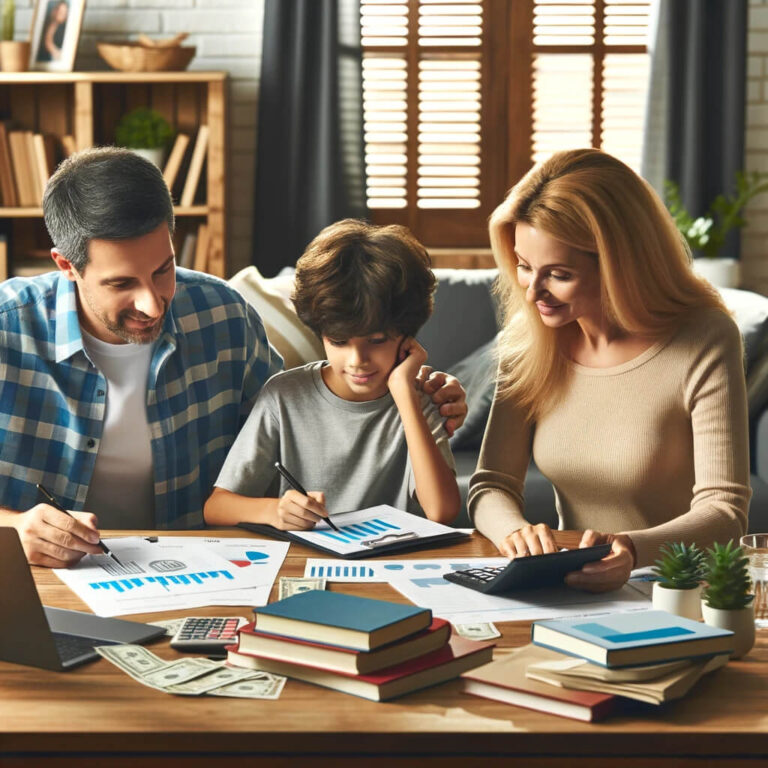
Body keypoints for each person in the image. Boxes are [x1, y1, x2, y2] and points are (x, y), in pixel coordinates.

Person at [0, 148, 467, 568]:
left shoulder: (223, 315)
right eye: (122, 284)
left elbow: (304, 424)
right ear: (66, 266)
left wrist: (417, 398)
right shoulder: (8, 332)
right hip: (47, 577)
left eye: (163, 270)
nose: (152, 302)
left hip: (202, 570)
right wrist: (14, 528)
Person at [468, 148, 751, 592]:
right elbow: (490, 484)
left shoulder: (705, 338)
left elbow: (725, 508)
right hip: (572, 588)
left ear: (621, 263)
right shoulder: (529, 341)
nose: (533, 291)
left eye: (559, 274)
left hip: (679, 589)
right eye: (524, 267)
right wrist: (514, 533)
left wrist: (632, 550)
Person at [205, 219, 461, 529]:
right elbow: (216, 507)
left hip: (392, 563)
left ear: (407, 334)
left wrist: (404, 392)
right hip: (306, 563)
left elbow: (442, 511)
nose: (357, 360)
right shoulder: (284, 395)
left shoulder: (420, 398)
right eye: (338, 341)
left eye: (376, 340)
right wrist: (276, 511)